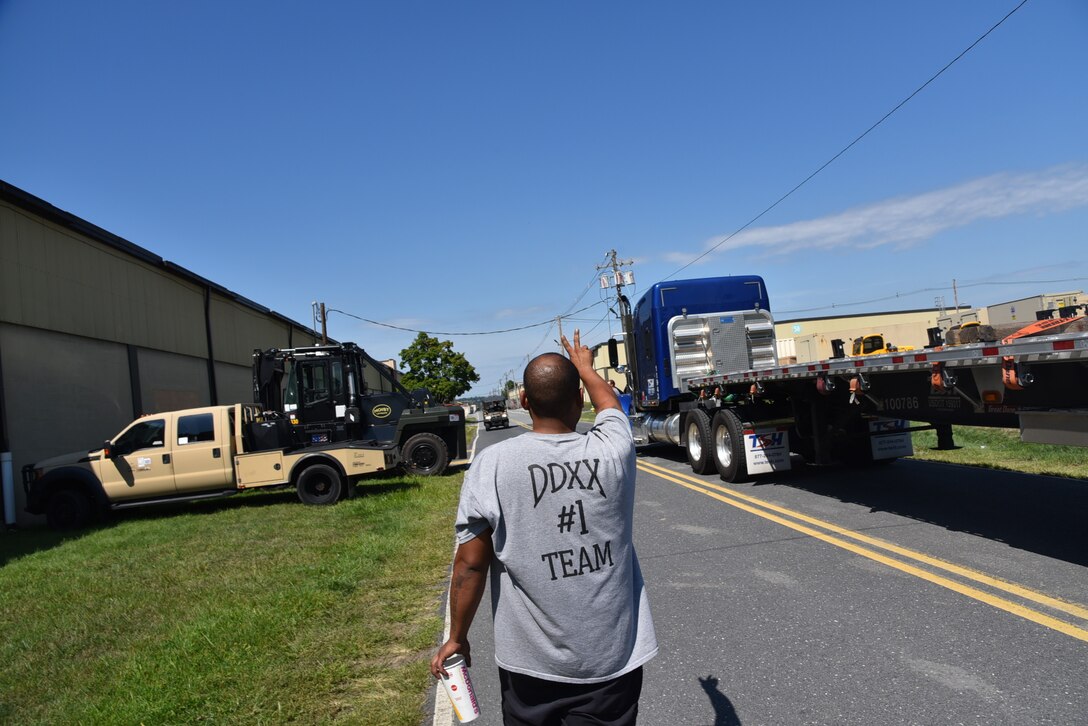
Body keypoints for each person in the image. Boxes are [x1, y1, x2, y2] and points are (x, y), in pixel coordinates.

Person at [431, 330, 657, 725]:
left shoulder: (493, 464)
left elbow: (470, 565)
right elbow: (611, 406)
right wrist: (586, 368)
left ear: (524, 401)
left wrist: (457, 636)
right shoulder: (613, 450)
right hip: (612, 662)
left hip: (530, 667)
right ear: (579, 399)